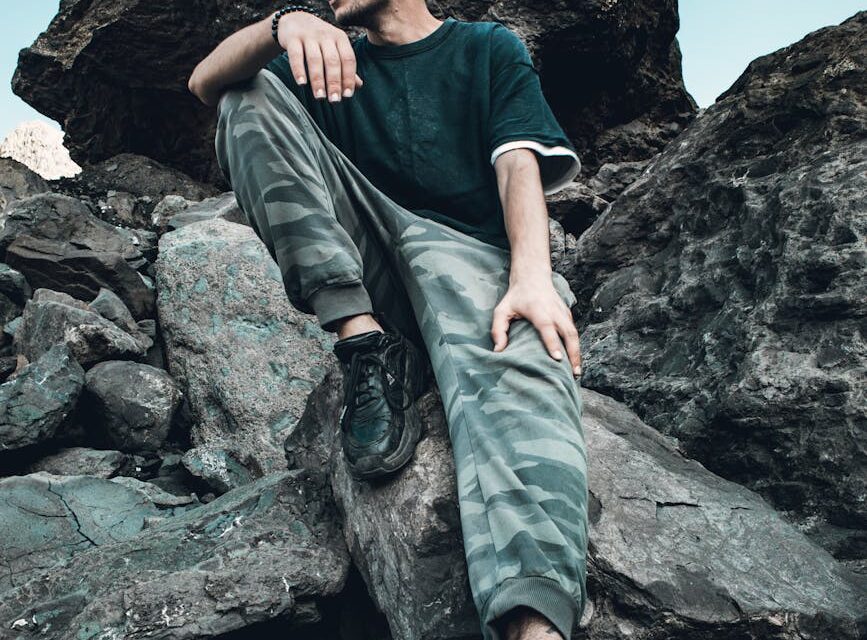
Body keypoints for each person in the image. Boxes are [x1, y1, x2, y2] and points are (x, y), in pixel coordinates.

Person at [187, 2, 588, 639]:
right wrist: (281, 25)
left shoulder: (486, 48)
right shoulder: (328, 58)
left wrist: (532, 278)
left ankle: (534, 622)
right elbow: (205, 83)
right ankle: (364, 344)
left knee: (527, 388)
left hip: (466, 255)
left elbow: (518, 164)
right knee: (248, 95)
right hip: (372, 254)